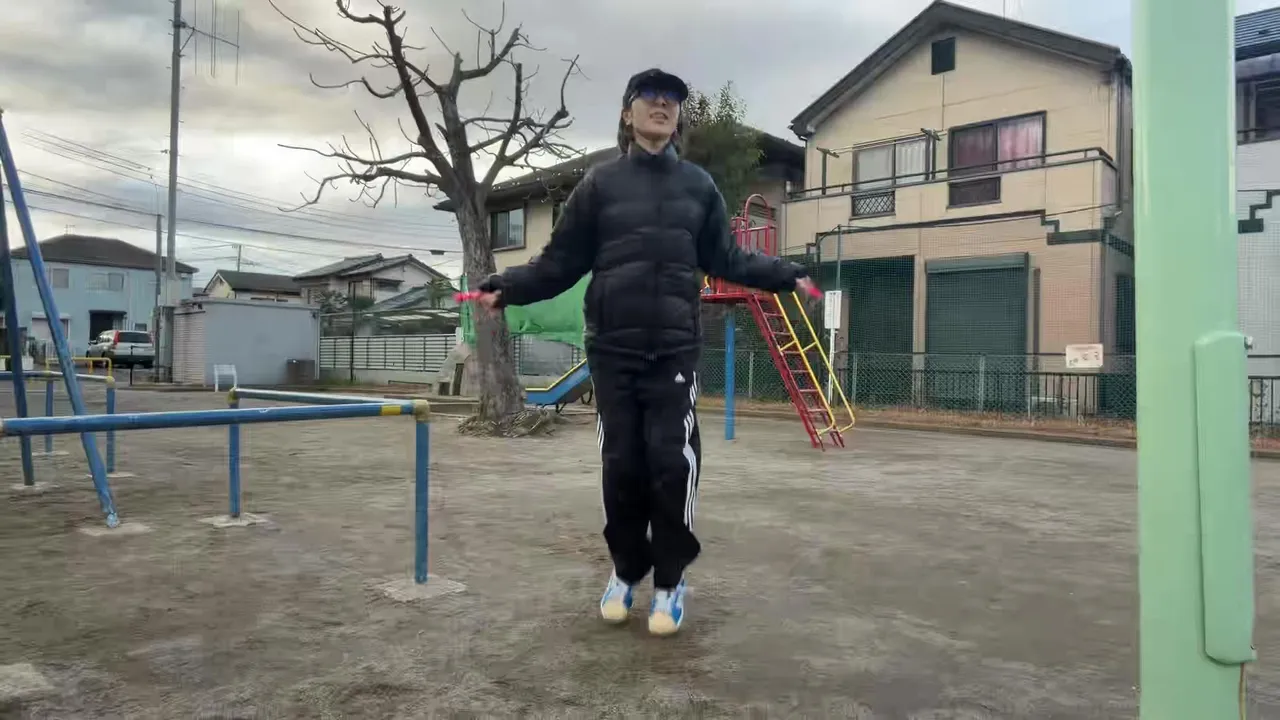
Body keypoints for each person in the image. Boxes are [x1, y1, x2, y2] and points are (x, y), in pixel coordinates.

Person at [474, 68, 817, 636]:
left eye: (672, 99)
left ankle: (670, 582)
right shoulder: (598, 186)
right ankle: (625, 570)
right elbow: (559, 263)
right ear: (627, 112)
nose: (663, 104)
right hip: (612, 351)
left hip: (673, 351)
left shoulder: (698, 187)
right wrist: (505, 286)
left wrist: (786, 273)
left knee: (671, 464)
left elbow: (728, 258)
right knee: (622, 467)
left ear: (677, 117)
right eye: (651, 97)